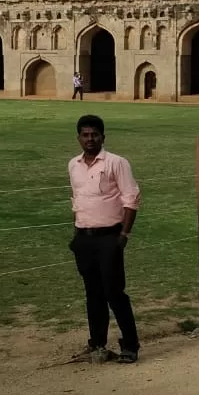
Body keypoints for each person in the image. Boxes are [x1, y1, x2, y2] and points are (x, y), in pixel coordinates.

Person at [67, 114, 140, 364]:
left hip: (110, 237)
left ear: (103, 137)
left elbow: (131, 199)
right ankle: (97, 344)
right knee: (93, 294)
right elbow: (77, 199)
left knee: (114, 293)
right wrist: (77, 235)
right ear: (78, 138)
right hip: (84, 237)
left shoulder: (116, 163)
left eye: (94, 134)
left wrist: (123, 235)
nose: (90, 139)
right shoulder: (73, 165)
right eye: (85, 135)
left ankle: (130, 346)